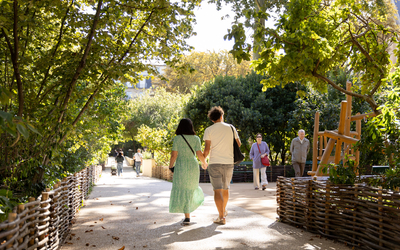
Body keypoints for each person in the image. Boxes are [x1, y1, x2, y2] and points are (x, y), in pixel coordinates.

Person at [203, 106, 241, 225]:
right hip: (229, 162)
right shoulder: (231, 127)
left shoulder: (209, 130)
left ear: (212, 119)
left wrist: (203, 160)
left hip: (214, 163)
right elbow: (238, 144)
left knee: (217, 190)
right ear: (221, 116)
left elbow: (207, 149)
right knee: (226, 188)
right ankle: (223, 212)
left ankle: (221, 217)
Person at [169, 118, 208, 225]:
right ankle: (188, 214)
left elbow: (174, 155)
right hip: (193, 165)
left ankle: (187, 217)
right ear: (191, 127)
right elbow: (200, 154)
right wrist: (204, 163)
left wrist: (171, 166)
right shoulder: (196, 139)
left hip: (181, 165)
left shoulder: (177, 139)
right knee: (191, 188)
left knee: (182, 188)